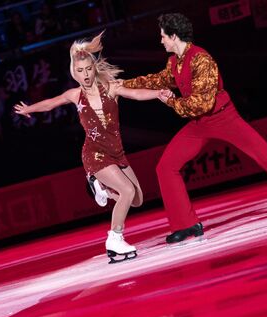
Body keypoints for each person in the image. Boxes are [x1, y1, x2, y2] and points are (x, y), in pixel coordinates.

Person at [123, 13, 267, 244]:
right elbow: (156, 80)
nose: (161, 41)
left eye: (162, 37)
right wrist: (121, 84)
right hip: (200, 124)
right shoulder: (174, 62)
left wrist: (169, 101)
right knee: (165, 167)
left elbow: (200, 104)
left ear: (173, 36)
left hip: (223, 118)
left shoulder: (202, 59)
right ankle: (187, 225)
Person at [14, 32, 165, 263]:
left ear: (94, 69)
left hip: (117, 152)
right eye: (80, 71)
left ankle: (102, 189)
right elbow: (50, 104)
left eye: (88, 69)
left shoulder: (110, 87)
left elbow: (134, 93)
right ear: (75, 72)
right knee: (127, 191)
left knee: (137, 199)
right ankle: (114, 239)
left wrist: (158, 94)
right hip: (94, 153)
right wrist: (29, 109)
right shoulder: (75, 95)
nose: (85, 75)